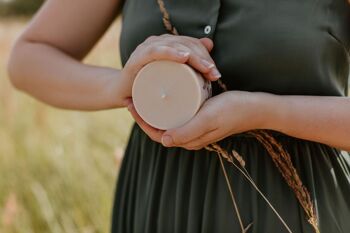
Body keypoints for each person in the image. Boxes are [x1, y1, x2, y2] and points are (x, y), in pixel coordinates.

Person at [7, 0, 350, 232]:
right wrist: (122, 86)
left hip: (299, 206)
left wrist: (264, 111)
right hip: (157, 205)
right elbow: (29, 58)